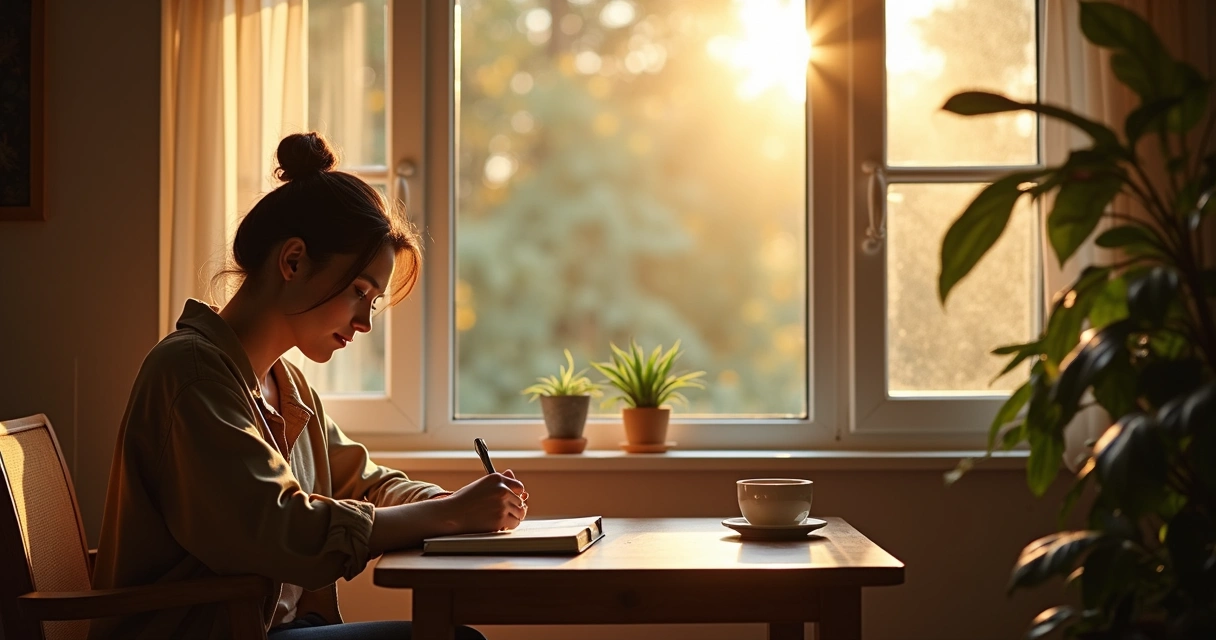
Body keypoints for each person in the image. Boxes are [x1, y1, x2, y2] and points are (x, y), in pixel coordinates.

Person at [90, 132, 525, 640]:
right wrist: (447, 515)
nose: (365, 322)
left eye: (374, 302)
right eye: (359, 291)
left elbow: (364, 482)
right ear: (293, 261)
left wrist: (453, 502)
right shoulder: (190, 375)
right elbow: (280, 528)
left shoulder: (285, 383)